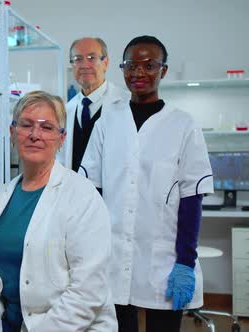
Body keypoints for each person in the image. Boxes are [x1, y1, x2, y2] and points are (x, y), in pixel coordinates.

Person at [79, 36, 214, 331]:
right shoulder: (107, 121)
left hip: (163, 260)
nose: (139, 73)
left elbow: (192, 199)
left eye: (149, 65)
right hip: (112, 257)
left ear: (163, 70)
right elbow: (91, 191)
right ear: (122, 68)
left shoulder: (184, 125)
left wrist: (185, 262)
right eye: (131, 65)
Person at [0, 91, 117, 331]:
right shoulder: (1, 198)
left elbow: (87, 292)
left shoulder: (82, 197)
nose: (35, 135)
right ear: (13, 133)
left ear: (61, 138)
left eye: (46, 128)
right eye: (26, 125)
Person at [58, 37, 129, 172]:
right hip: (74, 190)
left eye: (92, 58)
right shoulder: (66, 110)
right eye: (78, 59)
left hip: (110, 191)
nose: (85, 65)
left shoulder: (126, 103)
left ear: (106, 63)